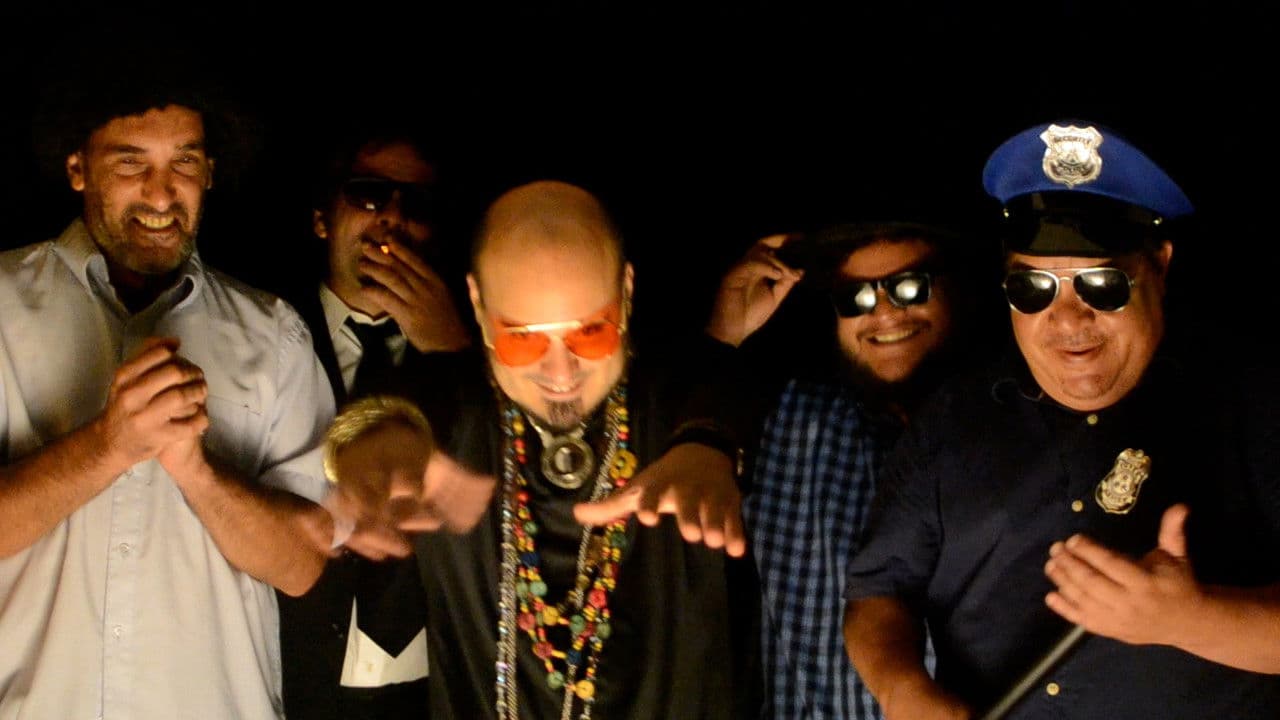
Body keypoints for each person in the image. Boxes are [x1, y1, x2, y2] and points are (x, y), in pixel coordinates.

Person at [842, 120, 1280, 719]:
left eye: (1101, 284)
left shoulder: (1255, 398)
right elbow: (878, 593)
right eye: (1033, 287)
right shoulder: (951, 416)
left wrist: (1192, 619)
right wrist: (902, 690)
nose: (1068, 318)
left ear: (1159, 265)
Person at [324, 179, 759, 719]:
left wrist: (707, 447)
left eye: (590, 332)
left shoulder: (673, 398)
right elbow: (399, 414)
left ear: (626, 292)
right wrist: (372, 450)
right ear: (478, 305)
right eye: (523, 337)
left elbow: (717, 389)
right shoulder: (456, 416)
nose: (560, 372)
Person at [0, 74, 335, 718]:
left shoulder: (275, 335)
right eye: (131, 163)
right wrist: (108, 448)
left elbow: (302, 567)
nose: (161, 193)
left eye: (183, 162)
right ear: (78, 169)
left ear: (209, 173)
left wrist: (198, 473)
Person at [706, 212, 1000, 719]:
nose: (883, 312)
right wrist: (722, 336)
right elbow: (653, 449)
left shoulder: (1015, 439)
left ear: (959, 290)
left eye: (909, 286)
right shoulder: (789, 426)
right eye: (855, 296)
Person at [275, 122, 475, 720]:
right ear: (322, 218)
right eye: (368, 194)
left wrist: (455, 356)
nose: (392, 217)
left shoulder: (480, 344)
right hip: (285, 676)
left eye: (417, 204)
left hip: (434, 686)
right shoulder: (264, 331)